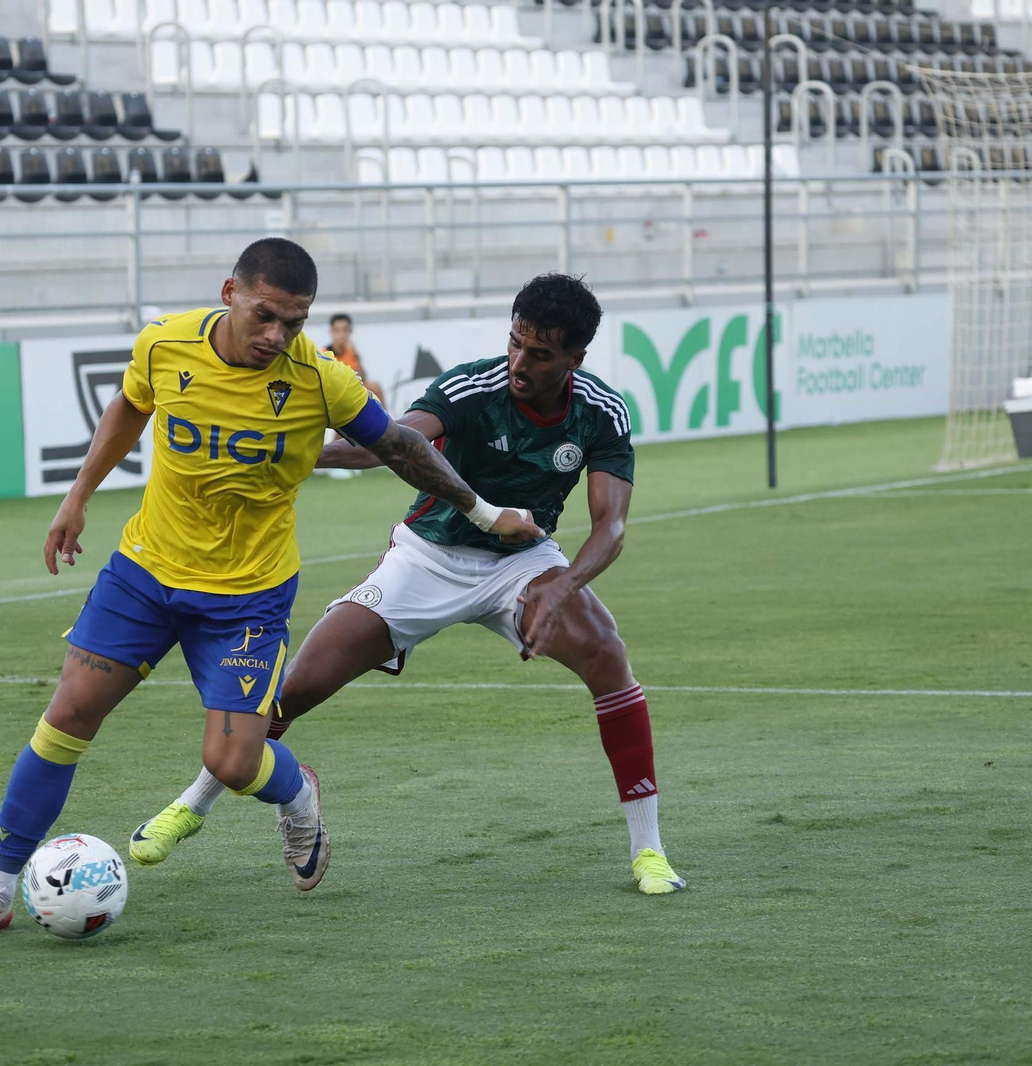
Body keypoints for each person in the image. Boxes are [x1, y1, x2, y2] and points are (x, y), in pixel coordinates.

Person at [0, 239, 544, 940]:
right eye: (266, 316)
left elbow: (401, 447)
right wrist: (78, 497)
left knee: (230, 761)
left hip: (247, 597)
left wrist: (482, 513)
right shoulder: (165, 344)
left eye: (295, 321)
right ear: (230, 292)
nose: (278, 335)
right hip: (145, 573)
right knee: (66, 718)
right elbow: (130, 408)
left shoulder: (319, 379)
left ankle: (299, 793)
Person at [130, 274, 686, 896]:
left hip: (522, 564)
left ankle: (650, 850)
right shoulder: (472, 386)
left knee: (608, 653)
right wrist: (295, 449)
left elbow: (610, 528)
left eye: (539, 354)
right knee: (299, 686)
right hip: (425, 559)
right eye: (515, 343)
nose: (519, 362)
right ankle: (193, 803)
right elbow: (388, 443)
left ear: (576, 359)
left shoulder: (600, 411)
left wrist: (562, 588)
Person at [326, 313, 386, 409]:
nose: (341, 335)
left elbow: (363, 379)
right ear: (331, 332)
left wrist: (355, 355)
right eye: (337, 330)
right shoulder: (325, 353)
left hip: (353, 390)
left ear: (350, 331)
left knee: (375, 387)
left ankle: (386, 419)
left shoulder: (352, 352)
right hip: (336, 392)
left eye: (345, 330)